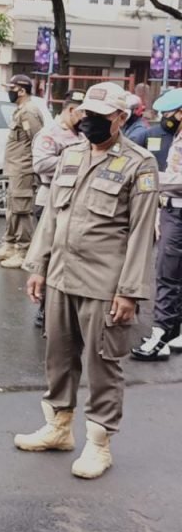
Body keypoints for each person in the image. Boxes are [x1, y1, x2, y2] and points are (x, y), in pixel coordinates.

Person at [17, 82, 159, 479]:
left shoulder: (139, 163)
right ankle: (58, 427)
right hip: (62, 276)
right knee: (58, 356)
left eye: (99, 116)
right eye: (85, 113)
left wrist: (129, 292)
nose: (88, 121)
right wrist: (38, 266)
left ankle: (98, 443)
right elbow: (53, 216)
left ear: (120, 118)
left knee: (102, 364)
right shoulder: (72, 154)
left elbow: (142, 233)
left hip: (104, 283)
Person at [131, 88, 182, 360]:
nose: (166, 118)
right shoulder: (177, 136)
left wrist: (152, 178)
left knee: (167, 276)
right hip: (171, 210)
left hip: (178, 212)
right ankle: (171, 332)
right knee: (171, 275)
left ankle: (161, 337)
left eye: (170, 113)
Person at [30, 88, 85, 328]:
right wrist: (76, 161)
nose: (86, 119)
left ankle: (66, 309)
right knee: (50, 256)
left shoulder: (82, 133)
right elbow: (41, 164)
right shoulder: (50, 133)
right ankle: (45, 309)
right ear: (71, 110)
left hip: (76, 200)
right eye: (83, 113)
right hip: (50, 198)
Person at [0, 74, 44, 269]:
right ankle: (10, 245)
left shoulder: (29, 112)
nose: (9, 92)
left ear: (21, 90)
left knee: (22, 210)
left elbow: (37, 140)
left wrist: (31, 167)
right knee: (12, 209)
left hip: (24, 169)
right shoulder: (20, 110)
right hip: (15, 168)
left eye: (11, 89)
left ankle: (23, 251)